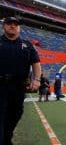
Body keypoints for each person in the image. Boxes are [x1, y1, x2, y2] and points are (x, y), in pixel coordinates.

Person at [0, 17, 41, 145]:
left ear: (19, 28)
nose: (12, 26)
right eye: (9, 24)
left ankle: (7, 138)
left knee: (15, 115)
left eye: (15, 24)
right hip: (0, 86)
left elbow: (36, 63)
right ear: (4, 26)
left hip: (19, 87)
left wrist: (37, 79)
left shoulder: (27, 45)